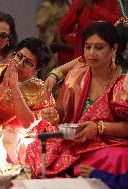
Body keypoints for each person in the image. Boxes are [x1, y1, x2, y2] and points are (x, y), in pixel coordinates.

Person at [26, 21, 128, 178]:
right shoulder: (76, 75)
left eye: (99, 48)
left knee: (117, 156)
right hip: (72, 140)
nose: (91, 53)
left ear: (113, 48)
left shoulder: (124, 81)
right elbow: (60, 112)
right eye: (88, 47)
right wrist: (54, 115)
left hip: (107, 143)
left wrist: (99, 128)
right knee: (36, 146)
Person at [0, 37, 55, 164]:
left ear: (36, 69)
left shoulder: (40, 91)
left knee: (8, 138)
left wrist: (14, 87)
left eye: (28, 62)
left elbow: (27, 124)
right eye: (19, 56)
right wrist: (3, 86)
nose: (20, 63)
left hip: (21, 137)